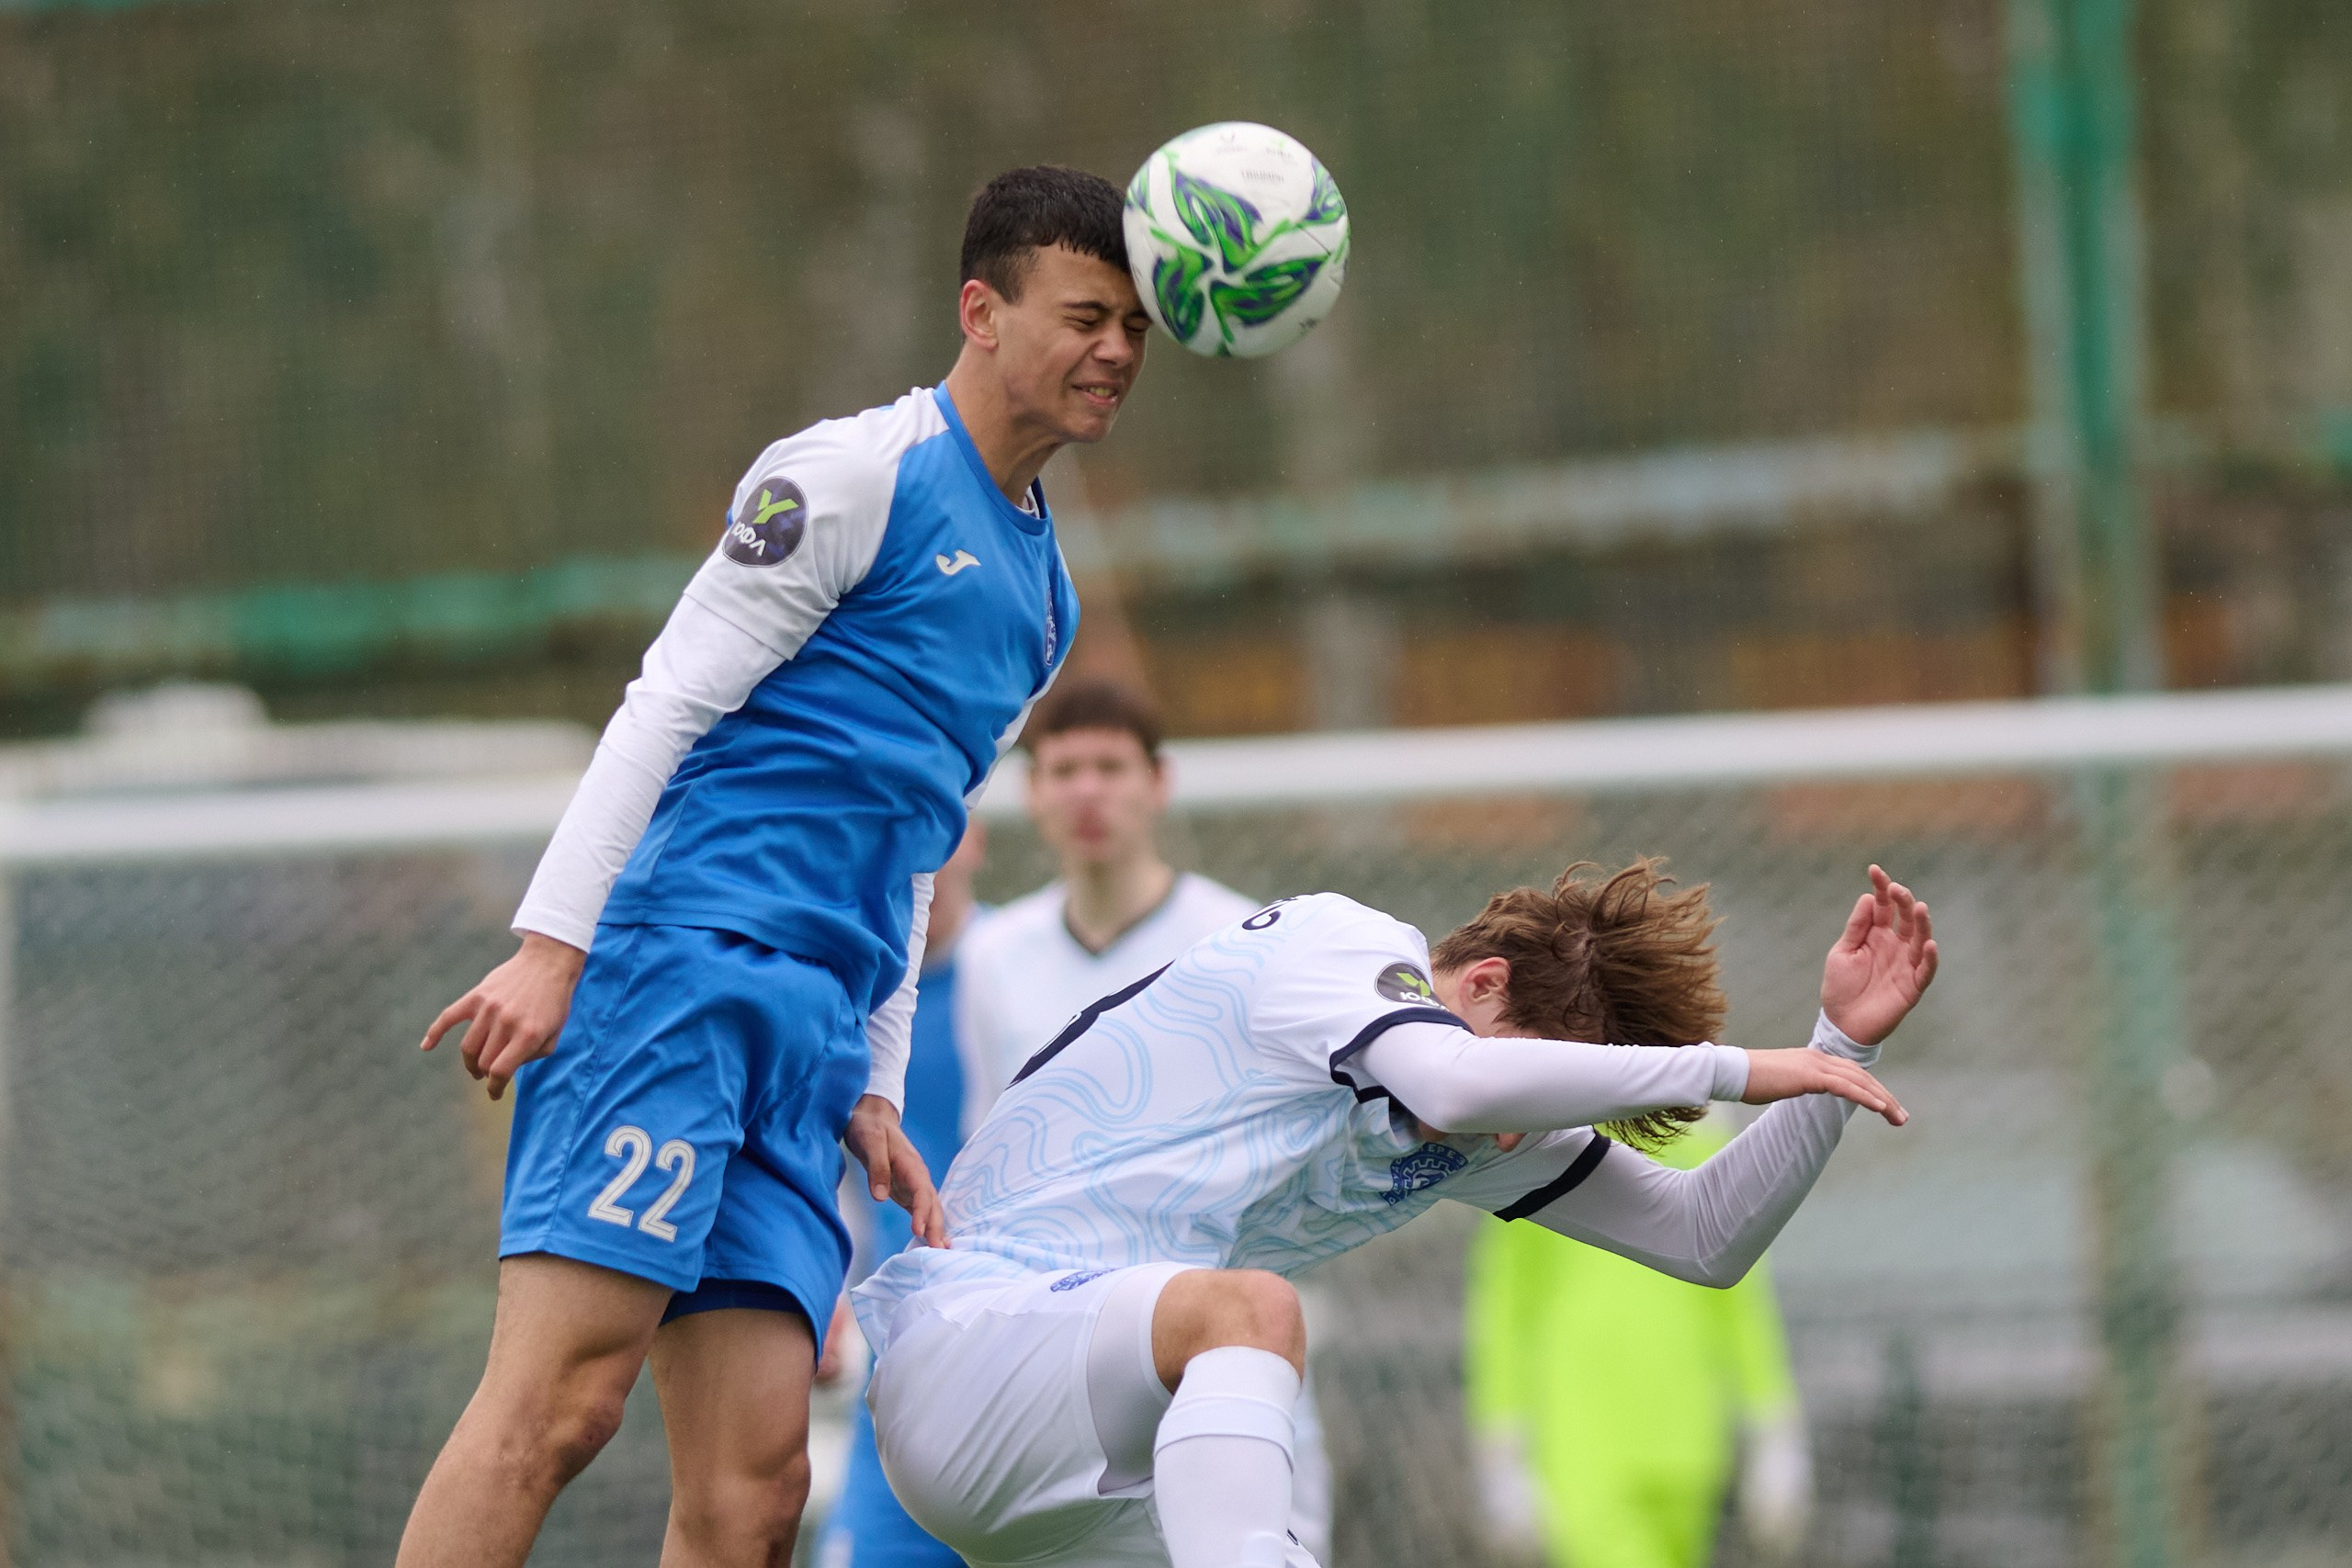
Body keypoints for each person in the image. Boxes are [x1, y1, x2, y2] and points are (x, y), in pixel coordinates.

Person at [402, 164, 1153, 1568]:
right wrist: (555, 945)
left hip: (811, 1043)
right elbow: (665, 703)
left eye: (1134, 327)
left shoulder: (1047, 602)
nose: (1116, 349)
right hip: (676, 977)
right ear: (981, 312)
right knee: (562, 1405)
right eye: (1085, 315)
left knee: (754, 1489)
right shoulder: (851, 475)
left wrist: (877, 1085)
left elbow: (915, 846)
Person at [853, 860, 1937, 1568]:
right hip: (977, 1347)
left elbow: (1704, 1238)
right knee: (1249, 1313)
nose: (1512, 1137)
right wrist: (1740, 1069)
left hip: (1089, 1472)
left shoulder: (1477, 1122)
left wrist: (1838, 1051)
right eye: (1529, 1083)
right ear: (1481, 984)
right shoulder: (1342, 943)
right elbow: (1460, 1087)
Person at [952, 675, 1332, 1559]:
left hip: (1222, 1333)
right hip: (1065, 1357)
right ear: (1033, 792)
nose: (1088, 791)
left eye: (1111, 767)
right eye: (1065, 769)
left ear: (1158, 782)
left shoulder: (1240, 938)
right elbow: (988, 1158)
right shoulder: (994, 956)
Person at [1464, 1111, 1812, 1568]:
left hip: (1689, 1444)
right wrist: (1500, 1443)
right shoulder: (1539, 1145)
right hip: (1582, 1441)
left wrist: (1773, 1426)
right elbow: (1507, 1306)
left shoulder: (1702, 1143)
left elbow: (1741, 1304)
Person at [818, 825, 989, 1568]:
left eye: (942, 831)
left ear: (975, 839)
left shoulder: (1023, 966)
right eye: (894, 833)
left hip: (1036, 1359)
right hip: (900, 1377)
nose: (924, 861)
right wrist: (825, 1285)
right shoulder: (840, 999)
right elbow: (831, 1174)